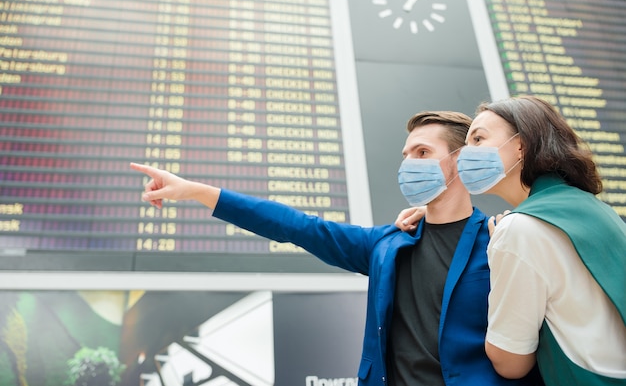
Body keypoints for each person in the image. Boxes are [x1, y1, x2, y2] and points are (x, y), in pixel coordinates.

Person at [131, 111, 541, 386]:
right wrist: (197, 191)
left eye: (423, 153)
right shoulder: (387, 243)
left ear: (460, 158)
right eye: (406, 156)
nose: (409, 165)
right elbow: (297, 227)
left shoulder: (501, 239)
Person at [401, 96, 626, 385]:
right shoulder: (596, 210)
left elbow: (510, 362)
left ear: (521, 146)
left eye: (478, 139)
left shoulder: (518, 229)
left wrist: (500, 255)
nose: (467, 154)